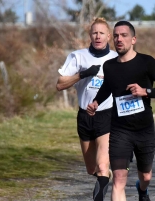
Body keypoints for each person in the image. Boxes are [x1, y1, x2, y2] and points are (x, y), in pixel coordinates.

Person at [87, 21, 155, 201]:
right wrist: (96, 102)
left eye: (124, 35)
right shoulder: (109, 66)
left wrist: (146, 91)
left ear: (133, 39)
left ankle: (142, 190)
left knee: (146, 176)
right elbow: (107, 87)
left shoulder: (146, 62)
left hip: (144, 130)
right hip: (120, 131)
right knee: (118, 179)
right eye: (116, 36)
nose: (119, 39)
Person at [56, 17, 118, 201]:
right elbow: (60, 85)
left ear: (108, 36)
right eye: (94, 33)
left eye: (101, 33)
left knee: (101, 166)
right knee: (92, 169)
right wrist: (83, 74)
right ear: (90, 36)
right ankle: (104, 174)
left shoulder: (115, 58)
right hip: (84, 116)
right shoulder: (78, 56)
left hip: (107, 115)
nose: (98, 36)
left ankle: (103, 177)